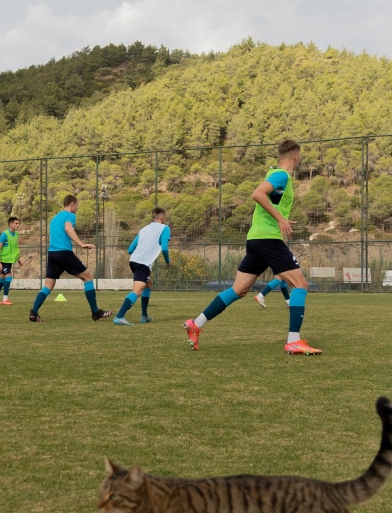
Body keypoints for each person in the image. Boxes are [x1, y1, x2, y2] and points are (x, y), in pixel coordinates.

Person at [183, 140, 321, 354]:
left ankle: (196, 324)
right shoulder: (281, 176)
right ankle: (293, 341)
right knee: (300, 284)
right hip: (268, 239)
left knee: (239, 289)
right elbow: (258, 194)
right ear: (296, 156)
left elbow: (266, 197)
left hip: (257, 239)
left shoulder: (274, 174)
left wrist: (278, 217)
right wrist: (280, 219)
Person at [28, 195, 113, 323]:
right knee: (88, 277)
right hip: (64, 253)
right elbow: (68, 228)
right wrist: (81, 244)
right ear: (72, 204)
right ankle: (95, 312)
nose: (77, 208)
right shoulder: (70, 215)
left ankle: (33, 312)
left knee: (48, 285)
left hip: (52, 254)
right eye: (77, 205)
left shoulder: (54, 218)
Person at [114, 207, 171, 325]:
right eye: (164, 217)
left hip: (134, 261)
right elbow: (164, 248)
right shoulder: (164, 228)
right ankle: (119, 316)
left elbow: (130, 249)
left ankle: (144, 316)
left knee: (148, 284)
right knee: (137, 291)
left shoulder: (144, 229)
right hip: (142, 264)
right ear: (162, 217)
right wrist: (167, 261)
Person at [0, 216, 21, 305]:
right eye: (16, 223)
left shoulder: (16, 234)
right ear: (11, 224)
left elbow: (15, 248)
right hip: (4, 260)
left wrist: (18, 258)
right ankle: (5, 299)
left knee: (2, 279)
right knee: (9, 277)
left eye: (18, 223)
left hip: (10, 261)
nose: (18, 225)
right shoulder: (5, 234)